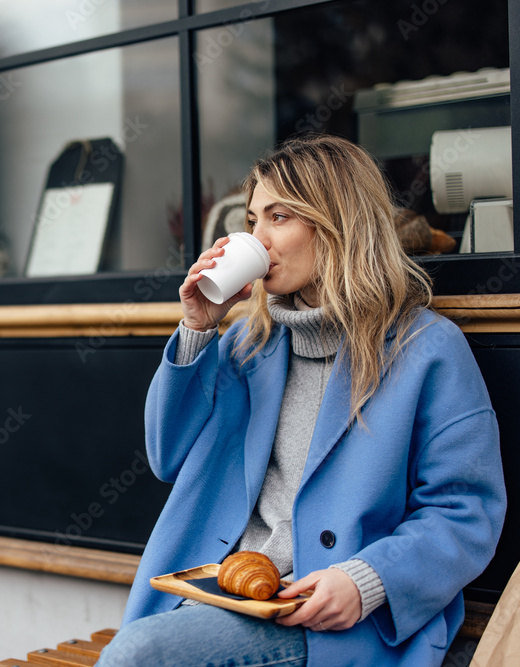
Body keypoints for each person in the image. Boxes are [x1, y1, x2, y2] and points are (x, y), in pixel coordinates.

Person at [96, 135, 507, 666]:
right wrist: (198, 328)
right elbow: (167, 456)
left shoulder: (426, 350)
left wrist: (366, 580)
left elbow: (465, 511)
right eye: (250, 221)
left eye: (279, 216)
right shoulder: (247, 346)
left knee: (140, 656)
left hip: (325, 621)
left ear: (338, 223)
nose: (257, 239)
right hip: (214, 590)